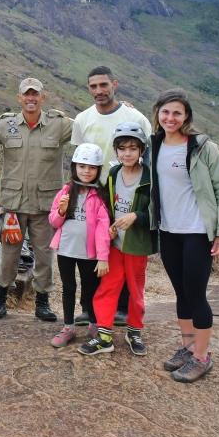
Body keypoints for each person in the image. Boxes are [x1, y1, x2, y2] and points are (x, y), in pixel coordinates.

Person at [150, 89, 219, 383]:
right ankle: (187, 348)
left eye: (177, 113)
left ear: (186, 116)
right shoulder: (155, 144)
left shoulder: (202, 147)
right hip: (168, 231)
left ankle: (202, 356)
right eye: (165, 112)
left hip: (197, 232)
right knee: (181, 293)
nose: (170, 118)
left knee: (196, 294)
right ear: (157, 113)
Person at [71, 65, 152, 326]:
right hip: (93, 191)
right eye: (93, 86)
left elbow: (148, 153)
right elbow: (77, 157)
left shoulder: (135, 117)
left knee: (124, 247)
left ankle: (123, 308)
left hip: (125, 187)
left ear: (114, 84)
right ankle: (89, 307)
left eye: (103, 85)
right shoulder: (83, 119)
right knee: (92, 249)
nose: (99, 90)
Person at [0, 77, 71, 322]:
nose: (31, 98)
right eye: (27, 94)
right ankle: (0, 298)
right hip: (14, 203)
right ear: (19, 98)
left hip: (45, 205)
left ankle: (42, 302)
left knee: (44, 255)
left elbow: (90, 124)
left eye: (36, 94)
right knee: (9, 252)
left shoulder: (59, 124)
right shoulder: (5, 125)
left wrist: (117, 110)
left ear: (43, 98)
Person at [78, 122, 155, 356]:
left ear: (141, 150)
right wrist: (107, 229)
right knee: (107, 286)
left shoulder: (150, 177)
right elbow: (107, 206)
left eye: (133, 148)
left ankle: (134, 332)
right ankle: (104, 336)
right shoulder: (113, 173)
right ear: (116, 151)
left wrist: (137, 216)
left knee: (134, 289)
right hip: (114, 244)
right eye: (122, 148)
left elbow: (158, 210)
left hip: (137, 245)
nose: (127, 153)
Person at [47, 143, 111, 348]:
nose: (86, 171)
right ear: (75, 167)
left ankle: (93, 325)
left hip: (89, 253)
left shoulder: (99, 196)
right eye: (82, 166)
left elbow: (103, 229)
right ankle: (68, 327)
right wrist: (62, 211)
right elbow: (54, 222)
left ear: (98, 170)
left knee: (90, 289)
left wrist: (103, 257)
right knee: (68, 287)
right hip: (66, 249)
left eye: (91, 167)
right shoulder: (66, 191)